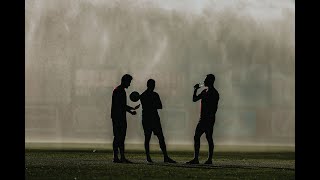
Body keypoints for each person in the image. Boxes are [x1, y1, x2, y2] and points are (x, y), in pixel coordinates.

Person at [139, 79, 176, 163]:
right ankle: (164, 157)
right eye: (153, 84)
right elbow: (159, 106)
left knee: (150, 138)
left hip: (147, 118)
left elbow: (158, 106)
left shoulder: (143, 95)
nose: (153, 86)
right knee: (157, 137)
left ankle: (151, 157)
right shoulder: (154, 95)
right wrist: (153, 104)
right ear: (149, 85)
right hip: (153, 118)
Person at [186, 74, 219, 164]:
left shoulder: (214, 93)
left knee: (208, 138)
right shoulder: (205, 91)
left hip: (208, 119)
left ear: (210, 81)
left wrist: (210, 118)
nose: (204, 81)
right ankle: (197, 159)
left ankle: (208, 159)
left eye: (206, 80)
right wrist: (195, 90)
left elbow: (214, 108)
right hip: (203, 119)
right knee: (198, 137)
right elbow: (194, 99)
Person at [111, 74, 140, 163]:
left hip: (118, 116)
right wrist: (131, 110)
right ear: (125, 81)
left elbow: (121, 105)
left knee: (119, 137)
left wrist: (131, 109)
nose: (129, 84)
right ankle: (118, 157)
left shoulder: (119, 90)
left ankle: (119, 157)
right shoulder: (120, 91)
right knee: (119, 137)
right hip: (118, 117)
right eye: (129, 82)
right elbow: (121, 106)